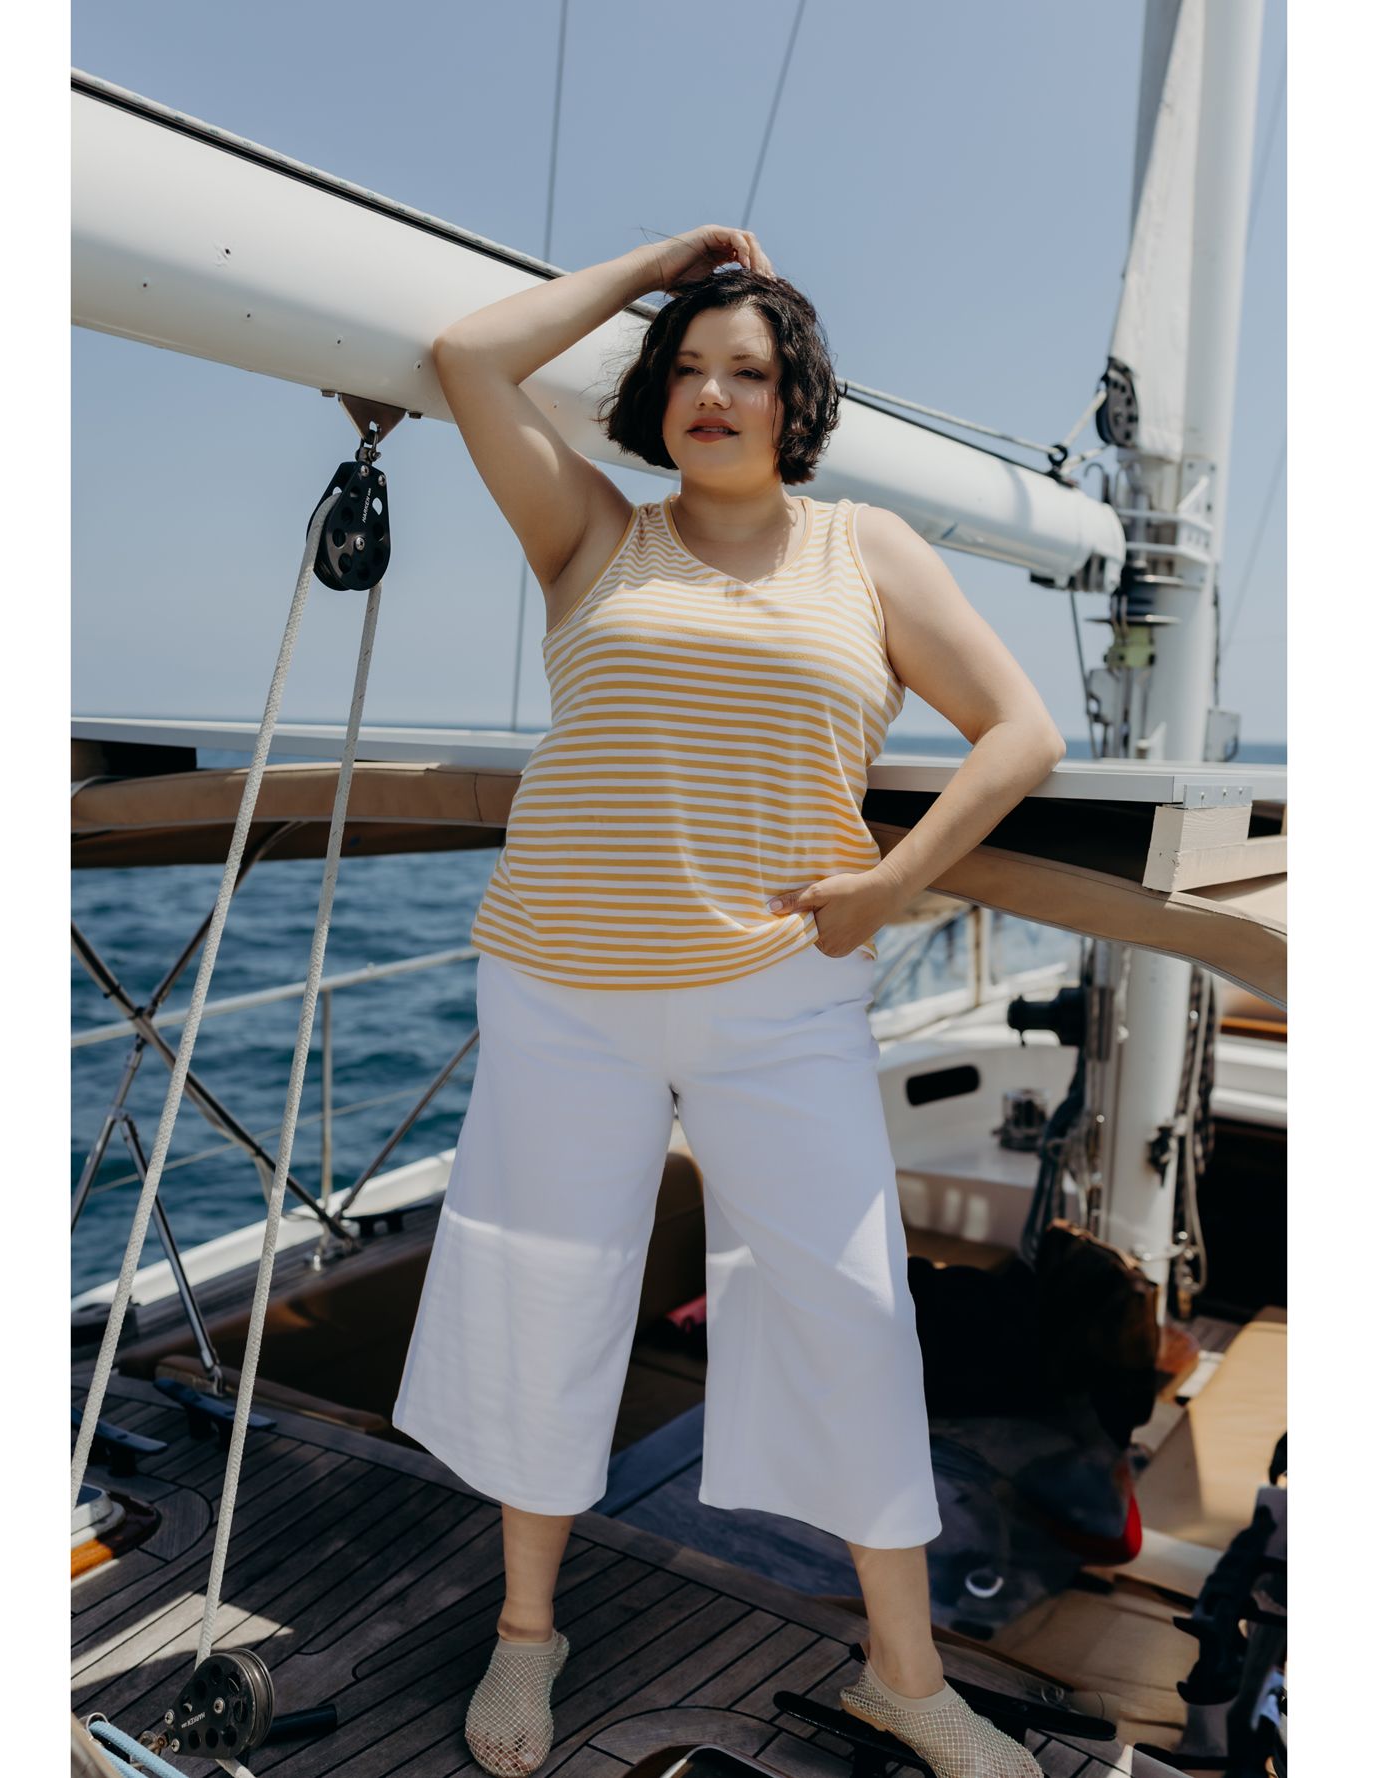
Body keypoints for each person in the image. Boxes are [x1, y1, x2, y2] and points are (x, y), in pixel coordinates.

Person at [389, 224, 1067, 1778]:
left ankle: (905, 1674)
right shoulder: (590, 532)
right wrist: (658, 267)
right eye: (688, 368)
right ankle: (526, 1628)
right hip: (564, 985)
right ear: (656, 392)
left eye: (746, 371)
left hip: (780, 993)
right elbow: (470, 358)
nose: (712, 393)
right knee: (550, 1297)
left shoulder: (866, 551)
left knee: (855, 1314)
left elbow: (1019, 731)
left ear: (794, 399)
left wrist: (898, 883)